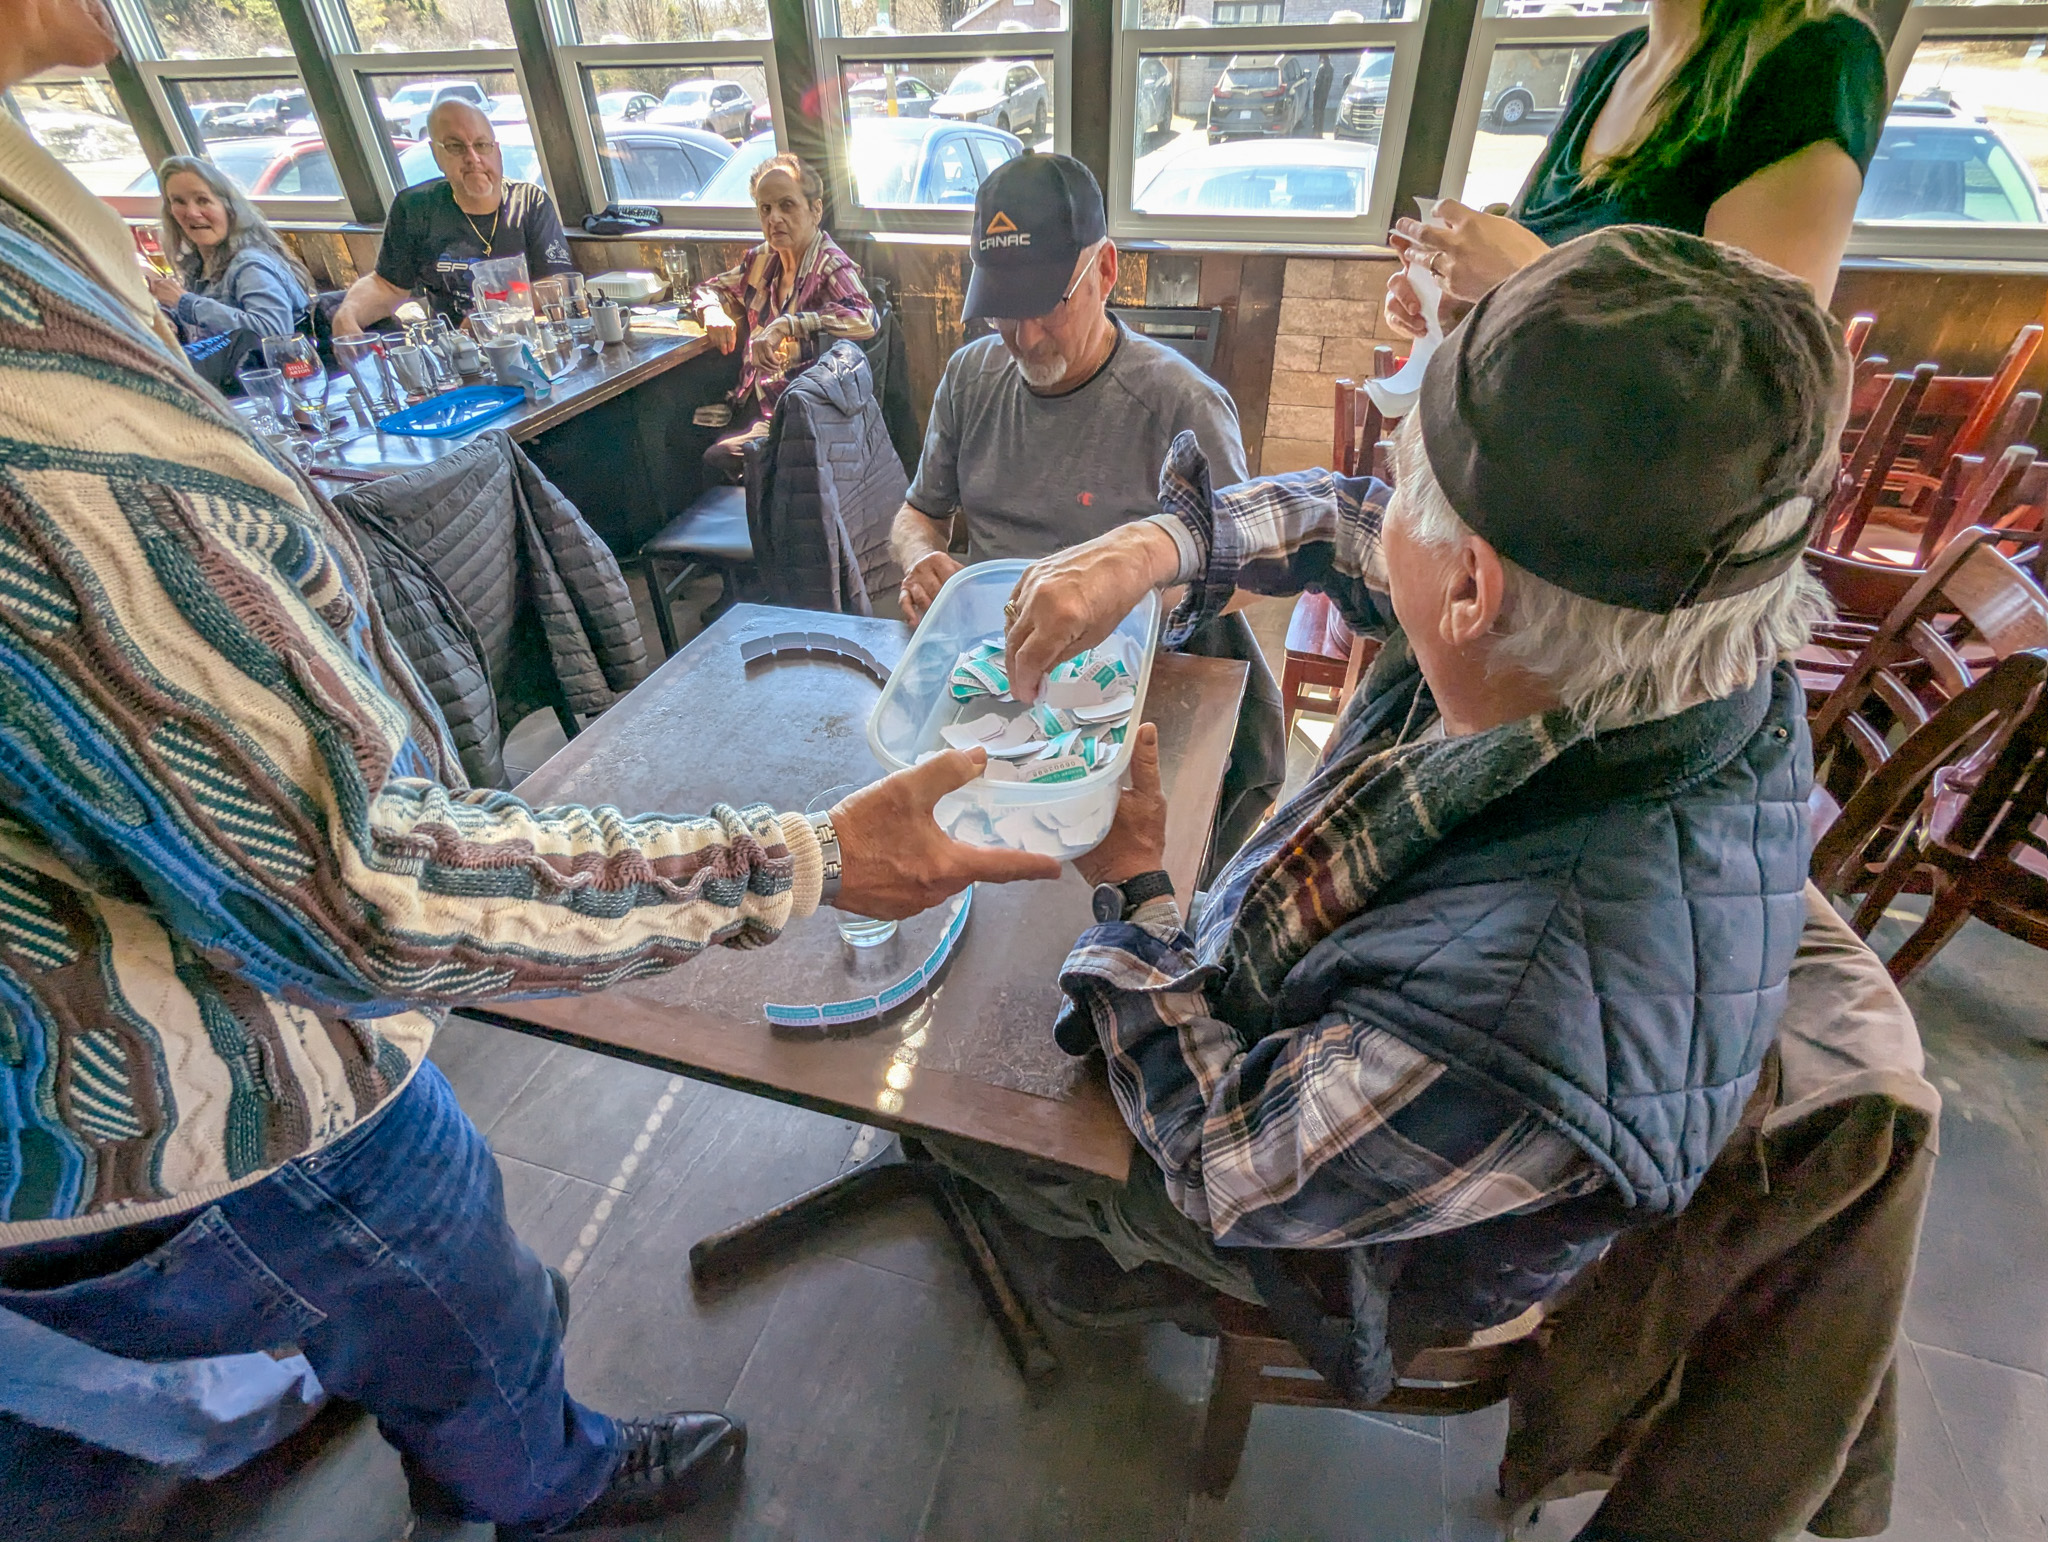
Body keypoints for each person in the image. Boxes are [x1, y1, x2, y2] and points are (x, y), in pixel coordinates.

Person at [0, 5, 1058, 1536]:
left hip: (111, 1090)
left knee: (434, 1292)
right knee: (463, 1286)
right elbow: (367, 886)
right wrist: (807, 858)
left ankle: (440, 1418)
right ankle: (543, 1482)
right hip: (201, 1092)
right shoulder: (35, 423)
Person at [958, 227, 1856, 1379]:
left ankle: (1100, 1255)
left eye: (1409, 493)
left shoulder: (1518, 1021)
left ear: (1473, 588)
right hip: (1350, 1019)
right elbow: (1347, 525)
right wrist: (1155, 546)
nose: (1382, 512)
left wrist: (1136, 892)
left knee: (977, 1112)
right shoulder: (1644, 640)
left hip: (1343, 1245)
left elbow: (1226, 1158)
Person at [890, 152, 1284, 868]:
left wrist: (1128, 599)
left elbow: (1256, 568)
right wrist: (922, 560)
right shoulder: (969, 377)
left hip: (1136, 690)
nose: (1024, 337)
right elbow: (918, 515)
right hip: (994, 681)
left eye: (1047, 306)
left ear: (1105, 270)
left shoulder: (1181, 404)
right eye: (1003, 310)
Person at [1383, 0, 1885, 337]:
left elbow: (1755, 363)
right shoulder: (1612, 62)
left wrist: (1530, 279)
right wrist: (1459, 294)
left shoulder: (1812, 63)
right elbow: (1536, 273)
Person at [691, 152, 876, 482]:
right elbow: (710, 289)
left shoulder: (829, 264)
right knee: (683, 434)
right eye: (765, 209)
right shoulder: (761, 259)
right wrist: (712, 310)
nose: (774, 218)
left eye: (786, 205)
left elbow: (864, 317)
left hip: (804, 418)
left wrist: (791, 323)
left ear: (815, 210)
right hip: (753, 399)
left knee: (714, 460)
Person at [331, 99, 574, 334]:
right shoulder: (414, 207)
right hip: (454, 347)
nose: (473, 158)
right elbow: (387, 286)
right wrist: (347, 314)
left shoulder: (530, 201)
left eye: (481, 145)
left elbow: (557, 283)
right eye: (456, 147)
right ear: (436, 154)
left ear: (497, 151)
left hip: (527, 340)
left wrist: (491, 315)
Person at [143, 154, 310, 342]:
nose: (191, 212)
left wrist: (185, 303)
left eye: (202, 200)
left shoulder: (250, 265)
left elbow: (276, 333)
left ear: (229, 208)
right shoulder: (198, 265)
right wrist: (168, 316)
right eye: (179, 202)